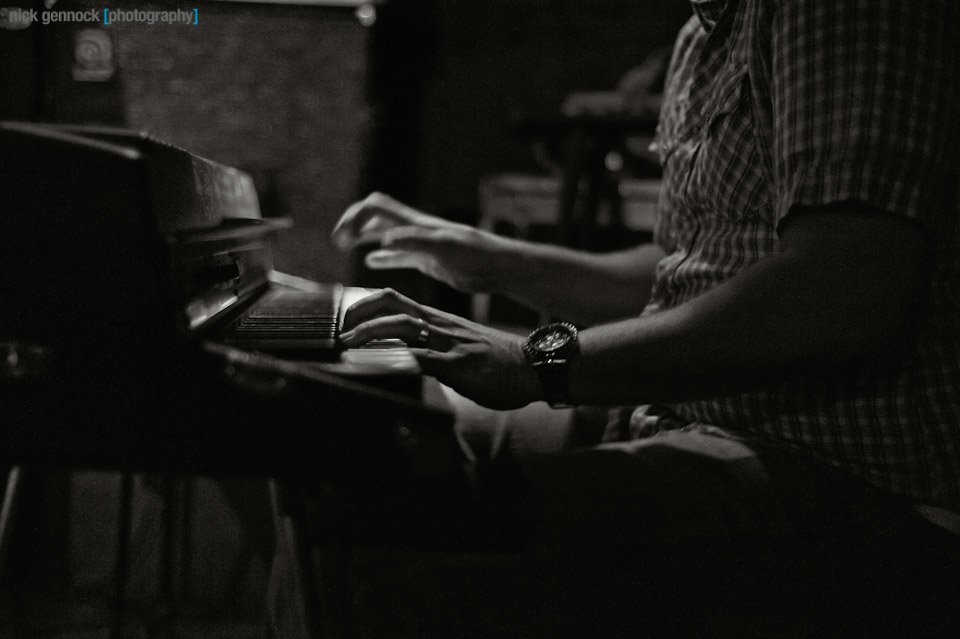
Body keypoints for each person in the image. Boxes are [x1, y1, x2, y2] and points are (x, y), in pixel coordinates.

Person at [319, 0, 960, 635]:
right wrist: (489, 258)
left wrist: (532, 361)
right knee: (346, 438)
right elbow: (681, 274)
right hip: (688, 413)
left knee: (395, 554)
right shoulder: (703, 31)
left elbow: (842, 288)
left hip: (850, 485)